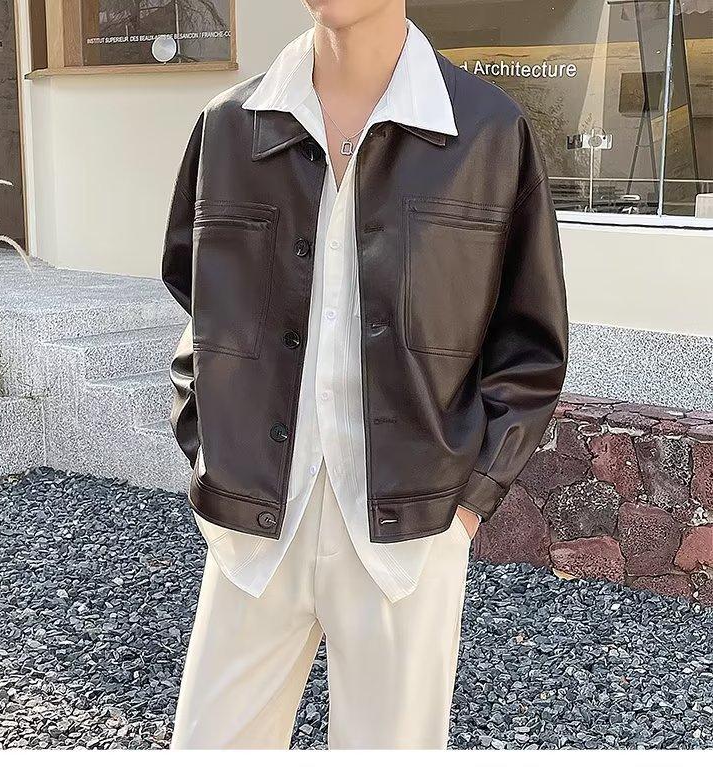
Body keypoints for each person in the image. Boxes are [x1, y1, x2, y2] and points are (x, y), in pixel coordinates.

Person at [161, 0, 568, 750]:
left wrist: (468, 503)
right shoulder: (230, 126)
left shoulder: (486, 132)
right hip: (254, 518)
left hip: (410, 531)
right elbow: (200, 303)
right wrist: (208, 445)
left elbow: (530, 343)